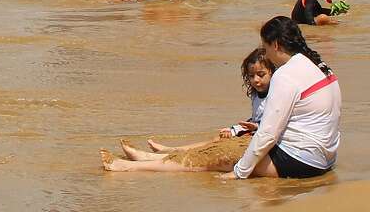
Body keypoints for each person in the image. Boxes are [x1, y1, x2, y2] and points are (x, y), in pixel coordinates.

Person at [101, 48, 275, 173]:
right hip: (253, 133)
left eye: (261, 75)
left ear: (273, 72)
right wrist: (233, 129)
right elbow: (255, 119)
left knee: (215, 148)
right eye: (251, 76)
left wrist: (242, 130)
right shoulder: (257, 94)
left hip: (261, 138)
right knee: (217, 139)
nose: (256, 80)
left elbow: (268, 124)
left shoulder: (276, 94)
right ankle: (168, 151)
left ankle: (155, 158)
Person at [228, 16, 340, 179]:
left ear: (275, 45)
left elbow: (268, 134)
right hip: (327, 159)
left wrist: (238, 173)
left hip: (302, 162)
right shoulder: (322, 67)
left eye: (265, 49)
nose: (266, 54)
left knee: (219, 157)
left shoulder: (285, 74)